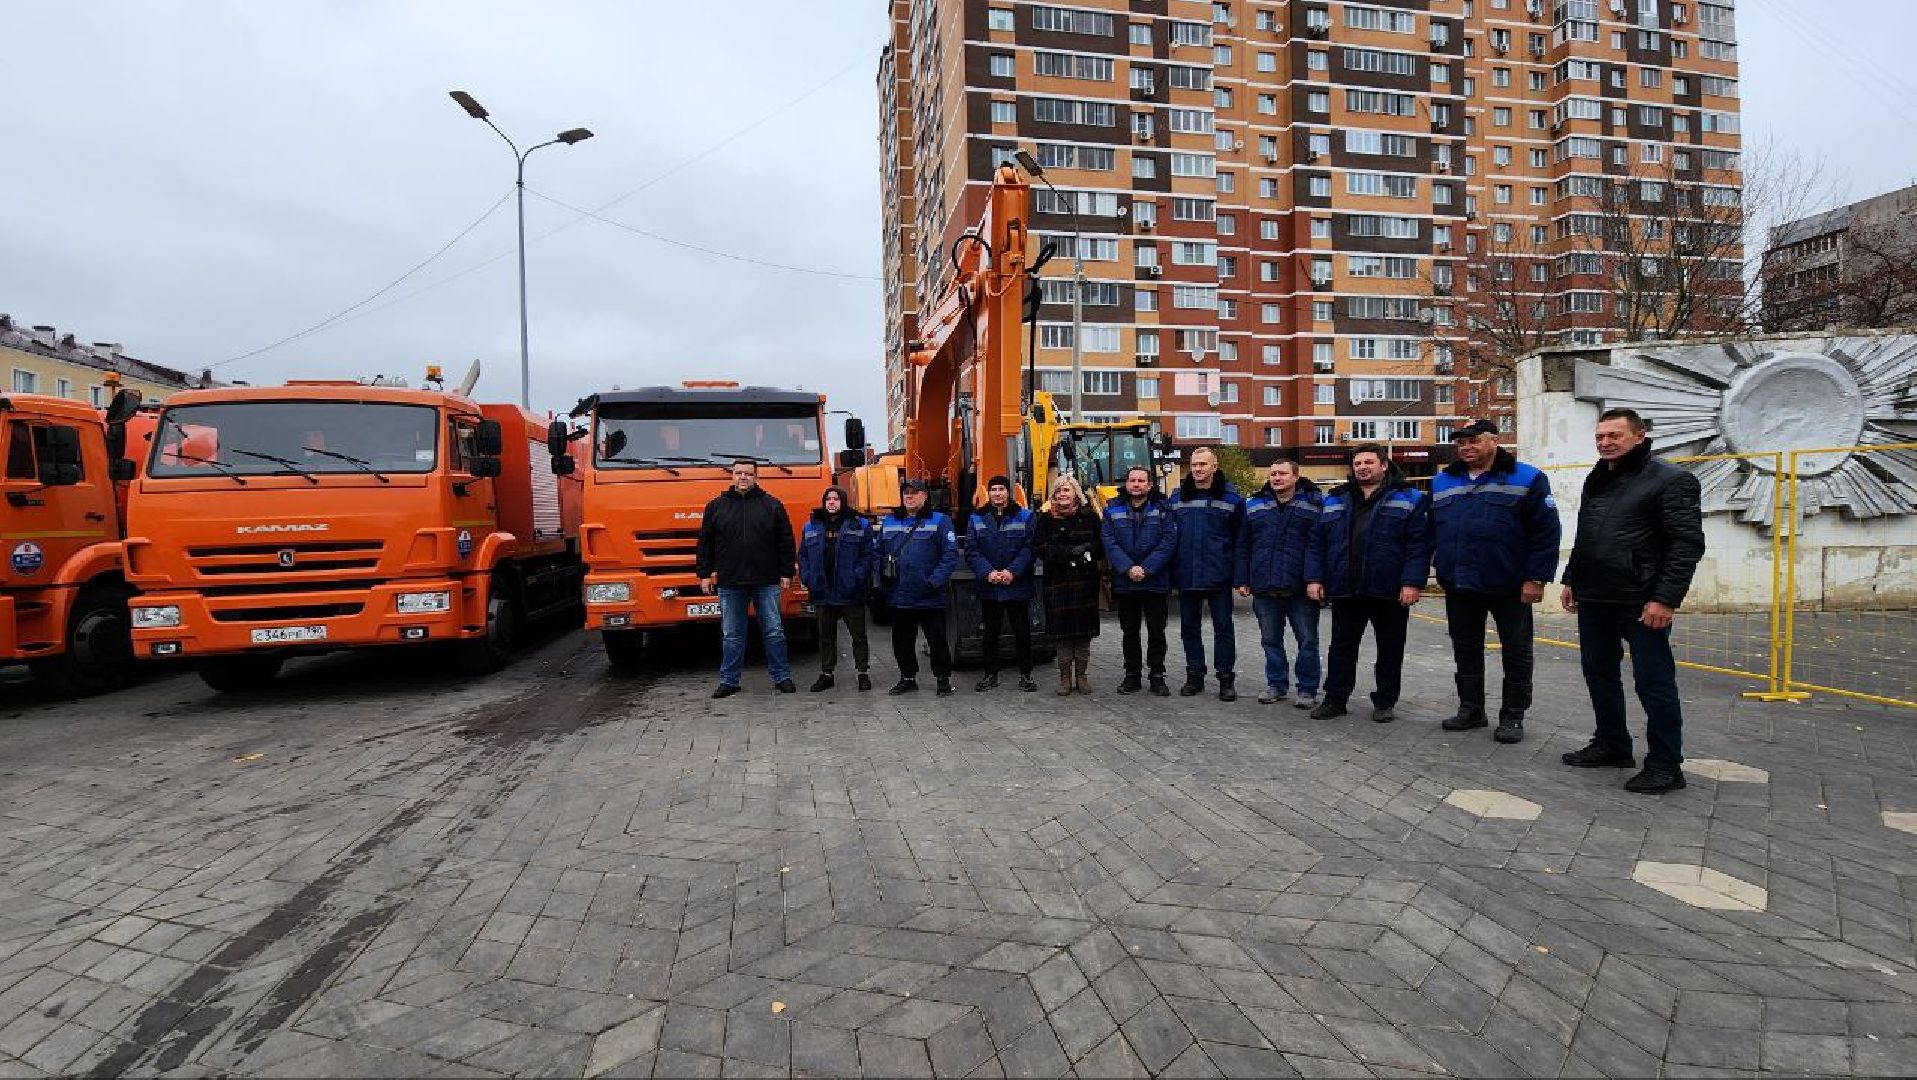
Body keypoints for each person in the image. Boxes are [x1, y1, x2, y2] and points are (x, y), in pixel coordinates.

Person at [1560, 408, 1705, 794]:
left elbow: (1685, 545)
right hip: (1595, 597)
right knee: (1599, 673)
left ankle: (1665, 764)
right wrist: (1573, 578)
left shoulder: (1672, 480)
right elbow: (1588, 531)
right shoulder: (1598, 476)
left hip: (1641, 601)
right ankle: (1612, 744)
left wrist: (1665, 598)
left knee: (1653, 682)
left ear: (1639, 437)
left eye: (1615, 436)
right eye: (1600, 436)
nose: (1605, 443)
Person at [1430, 420, 1561, 744]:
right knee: (1465, 649)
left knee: (1516, 651)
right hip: (1459, 584)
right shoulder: (1443, 481)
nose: (1466, 448)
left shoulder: (1527, 477)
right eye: (1461, 443)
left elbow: (1546, 532)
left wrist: (1536, 579)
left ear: (1494, 440)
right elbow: (1430, 530)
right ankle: (1471, 709)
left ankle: (1513, 716)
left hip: (1509, 584)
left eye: (1473, 441)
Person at [1306, 446, 1430, 724]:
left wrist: (1412, 582)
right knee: (1341, 647)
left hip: (1389, 589)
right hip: (1346, 588)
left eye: (1368, 462)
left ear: (1384, 466)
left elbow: (1418, 544)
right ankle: (1335, 699)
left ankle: (1385, 701)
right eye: (1357, 462)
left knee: (1390, 648)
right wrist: (1314, 578)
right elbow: (1317, 542)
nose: (1362, 467)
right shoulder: (1336, 499)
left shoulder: (1408, 498)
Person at [695, 459, 797, 698]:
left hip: (766, 580)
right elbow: (705, 543)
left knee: (774, 631)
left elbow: (785, 541)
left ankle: (782, 677)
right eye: (739, 473)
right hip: (730, 582)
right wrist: (703, 574)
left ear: (756, 477)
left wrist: (786, 573)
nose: (743, 477)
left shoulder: (772, 505)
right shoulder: (716, 507)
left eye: (748, 474)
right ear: (732, 476)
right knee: (732, 634)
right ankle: (729, 681)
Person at [1235, 459, 1324, 708]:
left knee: (1307, 640)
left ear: (1296, 477)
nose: (1277, 478)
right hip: (1264, 585)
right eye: (1273, 473)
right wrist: (1242, 578)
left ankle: (1307, 689)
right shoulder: (1252, 505)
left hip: (1300, 587)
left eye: (1283, 473)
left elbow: (1319, 546)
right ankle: (1276, 684)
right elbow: (1243, 544)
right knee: (1270, 640)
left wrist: (1315, 579)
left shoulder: (1314, 505)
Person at [1169, 447, 1245, 701]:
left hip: (1218, 576)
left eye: (1203, 464)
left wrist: (1240, 576)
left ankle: (1225, 679)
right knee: (1189, 629)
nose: (1198, 469)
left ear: (1214, 467)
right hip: (1187, 575)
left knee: (1223, 629)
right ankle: (1195, 676)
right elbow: (1170, 536)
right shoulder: (1177, 497)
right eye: (1194, 464)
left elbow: (1241, 541)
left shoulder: (1232, 499)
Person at [878, 478, 959, 696]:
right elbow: (877, 553)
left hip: (929, 595)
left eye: (914, 493)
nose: (909, 496)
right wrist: (882, 583)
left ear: (925, 496)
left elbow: (950, 556)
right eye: (906, 493)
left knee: (937, 640)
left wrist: (933, 582)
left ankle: (943, 679)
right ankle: (907, 677)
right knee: (902, 641)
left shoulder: (940, 521)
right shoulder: (889, 522)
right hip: (899, 594)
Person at [1102, 465, 1178, 696]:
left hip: (1154, 580)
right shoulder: (1112, 509)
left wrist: (1146, 568)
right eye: (1132, 480)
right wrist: (1127, 568)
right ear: (1126, 484)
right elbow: (1109, 541)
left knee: (1157, 630)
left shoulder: (1163, 509)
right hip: (1126, 582)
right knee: (1129, 631)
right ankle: (1131, 675)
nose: (1136, 484)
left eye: (1141, 480)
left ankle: (1157, 675)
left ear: (1149, 485)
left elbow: (1169, 541)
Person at [798, 486, 876, 693]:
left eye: (835, 499)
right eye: (828, 499)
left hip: (850, 592)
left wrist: (857, 577)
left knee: (858, 636)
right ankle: (827, 674)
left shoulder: (859, 524)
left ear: (843, 501)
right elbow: (803, 555)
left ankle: (862, 673)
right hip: (823, 592)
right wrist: (807, 577)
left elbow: (869, 555)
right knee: (825, 637)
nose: (831, 502)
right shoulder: (811, 526)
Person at [965, 475, 1038, 692]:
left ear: (1009, 492)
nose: (998, 493)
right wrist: (987, 573)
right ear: (989, 493)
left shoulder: (1025, 516)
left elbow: (1029, 548)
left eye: (1001, 489)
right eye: (994, 489)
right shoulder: (976, 518)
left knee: (1022, 633)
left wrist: (1011, 572)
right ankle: (990, 674)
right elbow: (972, 550)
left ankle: (1026, 675)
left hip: (1017, 585)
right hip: (990, 587)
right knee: (990, 634)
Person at [1034, 473, 1103, 695]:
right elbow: (1041, 548)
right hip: (1058, 582)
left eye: (1066, 490)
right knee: (1062, 634)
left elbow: (1100, 544)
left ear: (1075, 493)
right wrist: (1068, 553)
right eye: (1058, 491)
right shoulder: (1045, 519)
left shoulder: (1090, 517)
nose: (1062, 494)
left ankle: (1082, 676)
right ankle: (1065, 678)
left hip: (1084, 582)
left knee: (1083, 634)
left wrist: (1085, 550)